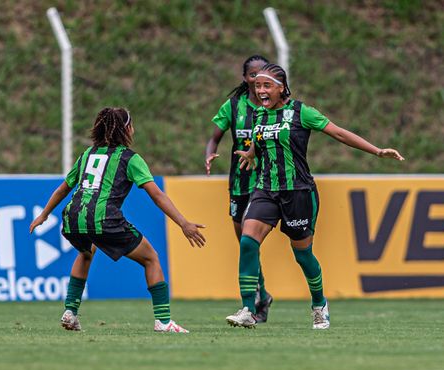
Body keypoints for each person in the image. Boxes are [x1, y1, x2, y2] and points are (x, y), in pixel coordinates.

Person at [226, 63, 404, 329]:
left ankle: (319, 304)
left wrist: (377, 151)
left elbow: (339, 133)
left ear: (282, 87)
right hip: (265, 189)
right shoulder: (258, 115)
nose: (260, 90)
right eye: (258, 85)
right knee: (248, 242)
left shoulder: (301, 112)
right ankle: (248, 310)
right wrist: (251, 154)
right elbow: (258, 139)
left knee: (302, 255)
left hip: (298, 192)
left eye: (267, 86)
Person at [30, 107, 206, 333]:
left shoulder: (88, 154)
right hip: (104, 219)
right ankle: (163, 322)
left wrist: (44, 214)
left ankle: (70, 312)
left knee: (85, 253)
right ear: (127, 129)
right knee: (151, 259)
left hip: (73, 217)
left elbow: (64, 188)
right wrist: (183, 223)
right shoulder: (130, 158)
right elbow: (156, 194)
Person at [205, 54, 274, 323]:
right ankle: (262, 295)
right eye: (253, 75)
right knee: (246, 244)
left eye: (262, 75)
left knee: (249, 237)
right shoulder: (234, 106)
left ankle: (251, 303)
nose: (258, 80)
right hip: (239, 183)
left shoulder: (277, 107)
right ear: (246, 79)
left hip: (267, 182)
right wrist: (210, 154)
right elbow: (214, 138)